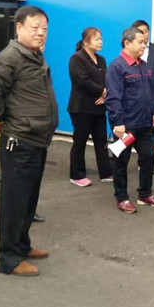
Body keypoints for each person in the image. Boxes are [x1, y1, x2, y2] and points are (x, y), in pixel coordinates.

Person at [0, 5, 58, 277]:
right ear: (19, 28)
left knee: (28, 199)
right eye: (35, 28)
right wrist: (8, 118)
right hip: (20, 140)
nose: (40, 33)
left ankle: (22, 245)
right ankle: (10, 259)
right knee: (15, 201)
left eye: (44, 29)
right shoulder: (10, 57)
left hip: (36, 139)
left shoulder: (34, 55)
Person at [105, 26, 154, 213]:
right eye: (140, 42)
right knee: (121, 162)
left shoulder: (143, 66)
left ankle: (145, 194)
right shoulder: (117, 67)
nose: (143, 46)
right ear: (127, 43)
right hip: (126, 126)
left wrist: (153, 113)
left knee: (148, 158)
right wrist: (117, 122)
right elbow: (113, 97)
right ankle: (122, 198)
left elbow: (150, 93)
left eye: (144, 43)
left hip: (145, 123)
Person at [67, 27, 112, 187]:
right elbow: (82, 80)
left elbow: (106, 79)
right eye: (96, 39)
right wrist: (102, 91)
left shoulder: (101, 59)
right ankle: (77, 175)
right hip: (81, 107)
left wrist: (104, 94)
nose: (100, 42)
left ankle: (106, 172)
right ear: (86, 42)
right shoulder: (77, 58)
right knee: (80, 141)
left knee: (101, 141)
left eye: (101, 39)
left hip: (99, 107)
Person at [132, 19, 154, 109]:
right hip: (134, 101)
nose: (143, 34)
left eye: (145, 31)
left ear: (149, 33)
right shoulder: (130, 51)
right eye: (140, 32)